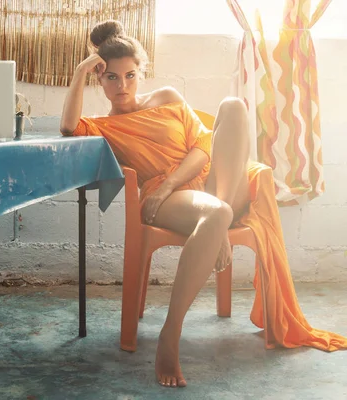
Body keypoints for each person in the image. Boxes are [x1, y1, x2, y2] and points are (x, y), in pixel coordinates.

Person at [61, 20, 347, 388]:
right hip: (167, 197)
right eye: (111, 78)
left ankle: (219, 226)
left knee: (233, 107)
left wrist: (178, 186)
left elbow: (202, 146)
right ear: (99, 80)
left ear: (141, 72)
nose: (122, 86)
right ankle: (171, 333)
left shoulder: (167, 97)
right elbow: (67, 129)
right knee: (217, 212)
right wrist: (81, 68)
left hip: (209, 183)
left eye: (130, 75)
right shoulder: (104, 125)